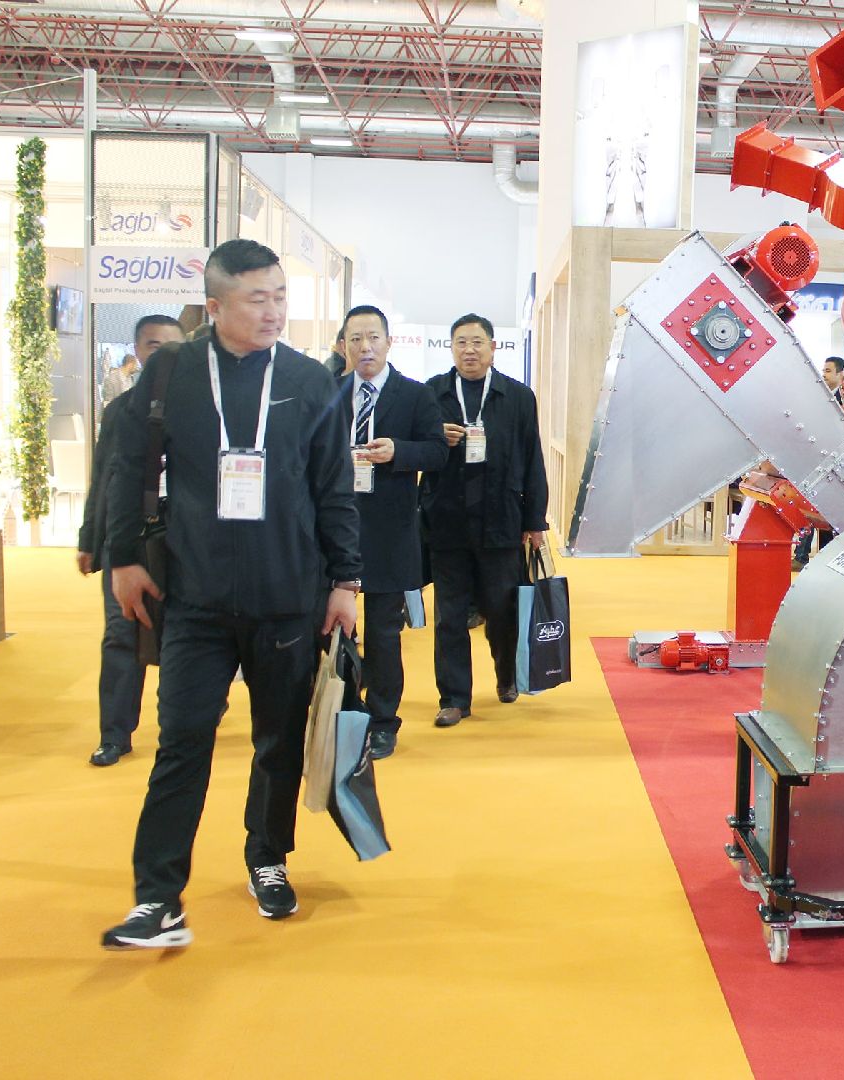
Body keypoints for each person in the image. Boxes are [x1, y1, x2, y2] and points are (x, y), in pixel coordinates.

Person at [99, 238, 361, 949]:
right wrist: (123, 557)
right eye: (256, 299)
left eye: (280, 296)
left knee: (278, 741)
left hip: (287, 596)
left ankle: (267, 856)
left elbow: (334, 489)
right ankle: (157, 898)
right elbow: (129, 465)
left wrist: (346, 581)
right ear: (214, 307)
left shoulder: (309, 380)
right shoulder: (174, 373)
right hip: (196, 598)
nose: (273, 310)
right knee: (181, 741)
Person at [421, 313, 548, 728]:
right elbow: (416, 449)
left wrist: (535, 520)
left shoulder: (518, 397)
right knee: (450, 615)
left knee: (501, 608)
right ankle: (454, 698)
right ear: (451, 348)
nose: (469, 351)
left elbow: (532, 458)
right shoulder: (432, 394)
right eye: (461, 342)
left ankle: (506, 674)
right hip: (448, 521)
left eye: (477, 342)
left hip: (501, 521)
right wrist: (435, 438)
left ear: (493, 348)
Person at [337, 304, 448, 759]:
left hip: (389, 529)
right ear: (343, 345)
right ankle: (345, 712)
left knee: (384, 633)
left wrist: (398, 451)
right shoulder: (328, 393)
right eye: (355, 339)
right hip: (336, 527)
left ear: (388, 341)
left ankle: (383, 721)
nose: (365, 347)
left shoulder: (415, 395)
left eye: (373, 337)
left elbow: (438, 453)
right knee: (336, 629)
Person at [77, 392, 150, 767]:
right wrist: (89, 536)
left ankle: (203, 710)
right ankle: (114, 735)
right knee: (121, 633)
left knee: (191, 634)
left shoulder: (203, 403)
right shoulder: (122, 409)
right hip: (123, 541)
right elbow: (103, 475)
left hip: (186, 540)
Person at [794, 356, 844, 569]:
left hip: (836, 463)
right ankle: (801, 556)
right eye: (823, 370)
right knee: (808, 508)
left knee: (830, 512)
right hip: (815, 460)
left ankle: (825, 558)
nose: (823, 374)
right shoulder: (819, 397)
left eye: (828, 371)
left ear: (840, 375)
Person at [102, 314, 184, 408]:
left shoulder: (196, 401)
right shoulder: (119, 410)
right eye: (155, 347)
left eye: (174, 347)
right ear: (137, 350)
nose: (166, 354)